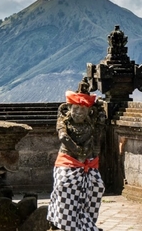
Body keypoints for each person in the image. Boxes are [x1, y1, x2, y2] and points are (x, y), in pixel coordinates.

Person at [47, 79, 106, 231]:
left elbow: (100, 126)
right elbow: (63, 137)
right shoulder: (64, 121)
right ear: (69, 107)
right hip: (67, 161)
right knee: (63, 187)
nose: (79, 113)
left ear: (88, 111)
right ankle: (62, 223)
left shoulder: (91, 124)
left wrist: (99, 107)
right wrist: (78, 151)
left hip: (87, 163)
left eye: (83, 110)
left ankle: (85, 222)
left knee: (96, 187)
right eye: (76, 109)